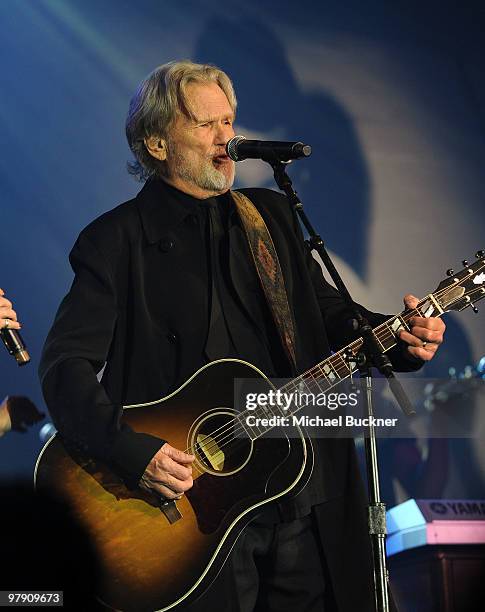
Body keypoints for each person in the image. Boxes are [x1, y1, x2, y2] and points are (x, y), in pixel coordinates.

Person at [39, 61, 446, 611]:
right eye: (206, 125)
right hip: (195, 515)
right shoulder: (114, 242)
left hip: (299, 492)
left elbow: (331, 314)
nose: (226, 138)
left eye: (228, 121)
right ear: (157, 144)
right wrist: (134, 453)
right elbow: (65, 368)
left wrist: (400, 339)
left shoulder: (270, 216)